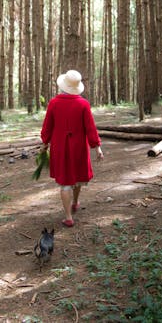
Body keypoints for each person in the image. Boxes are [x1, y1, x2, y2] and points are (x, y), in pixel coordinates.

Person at [40, 69, 104, 227]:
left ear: (63, 86)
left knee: (65, 182)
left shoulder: (54, 103)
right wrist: (97, 147)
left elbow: (47, 126)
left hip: (60, 147)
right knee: (77, 177)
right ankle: (74, 202)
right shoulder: (83, 104)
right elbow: (90, 128)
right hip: (78, 147)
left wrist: (45, 143)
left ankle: (68, 216)